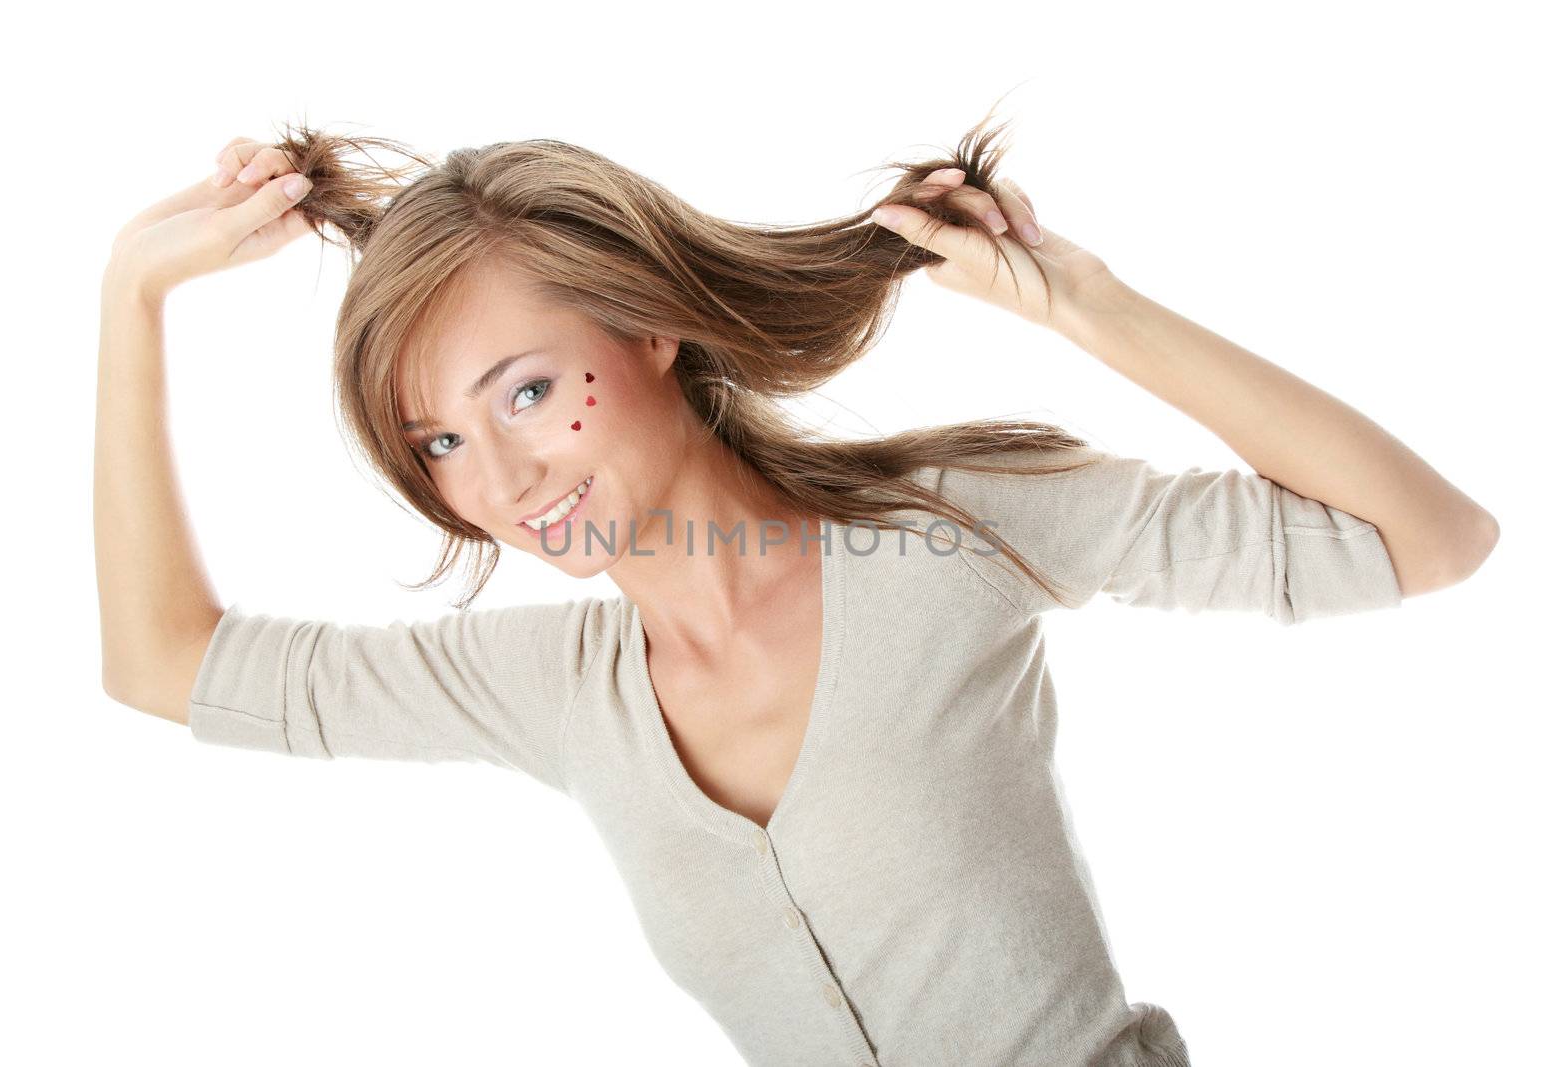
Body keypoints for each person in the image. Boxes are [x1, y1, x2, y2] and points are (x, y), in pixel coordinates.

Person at [94, 111, 1498, 1067]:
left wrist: (1086, 304)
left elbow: (1424, 540)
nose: (502, 477)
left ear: (646, 329)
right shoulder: (549, 689)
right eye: (441, 443)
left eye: (526, 391)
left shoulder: (946, 533)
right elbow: (165, 664)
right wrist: (129, 298)